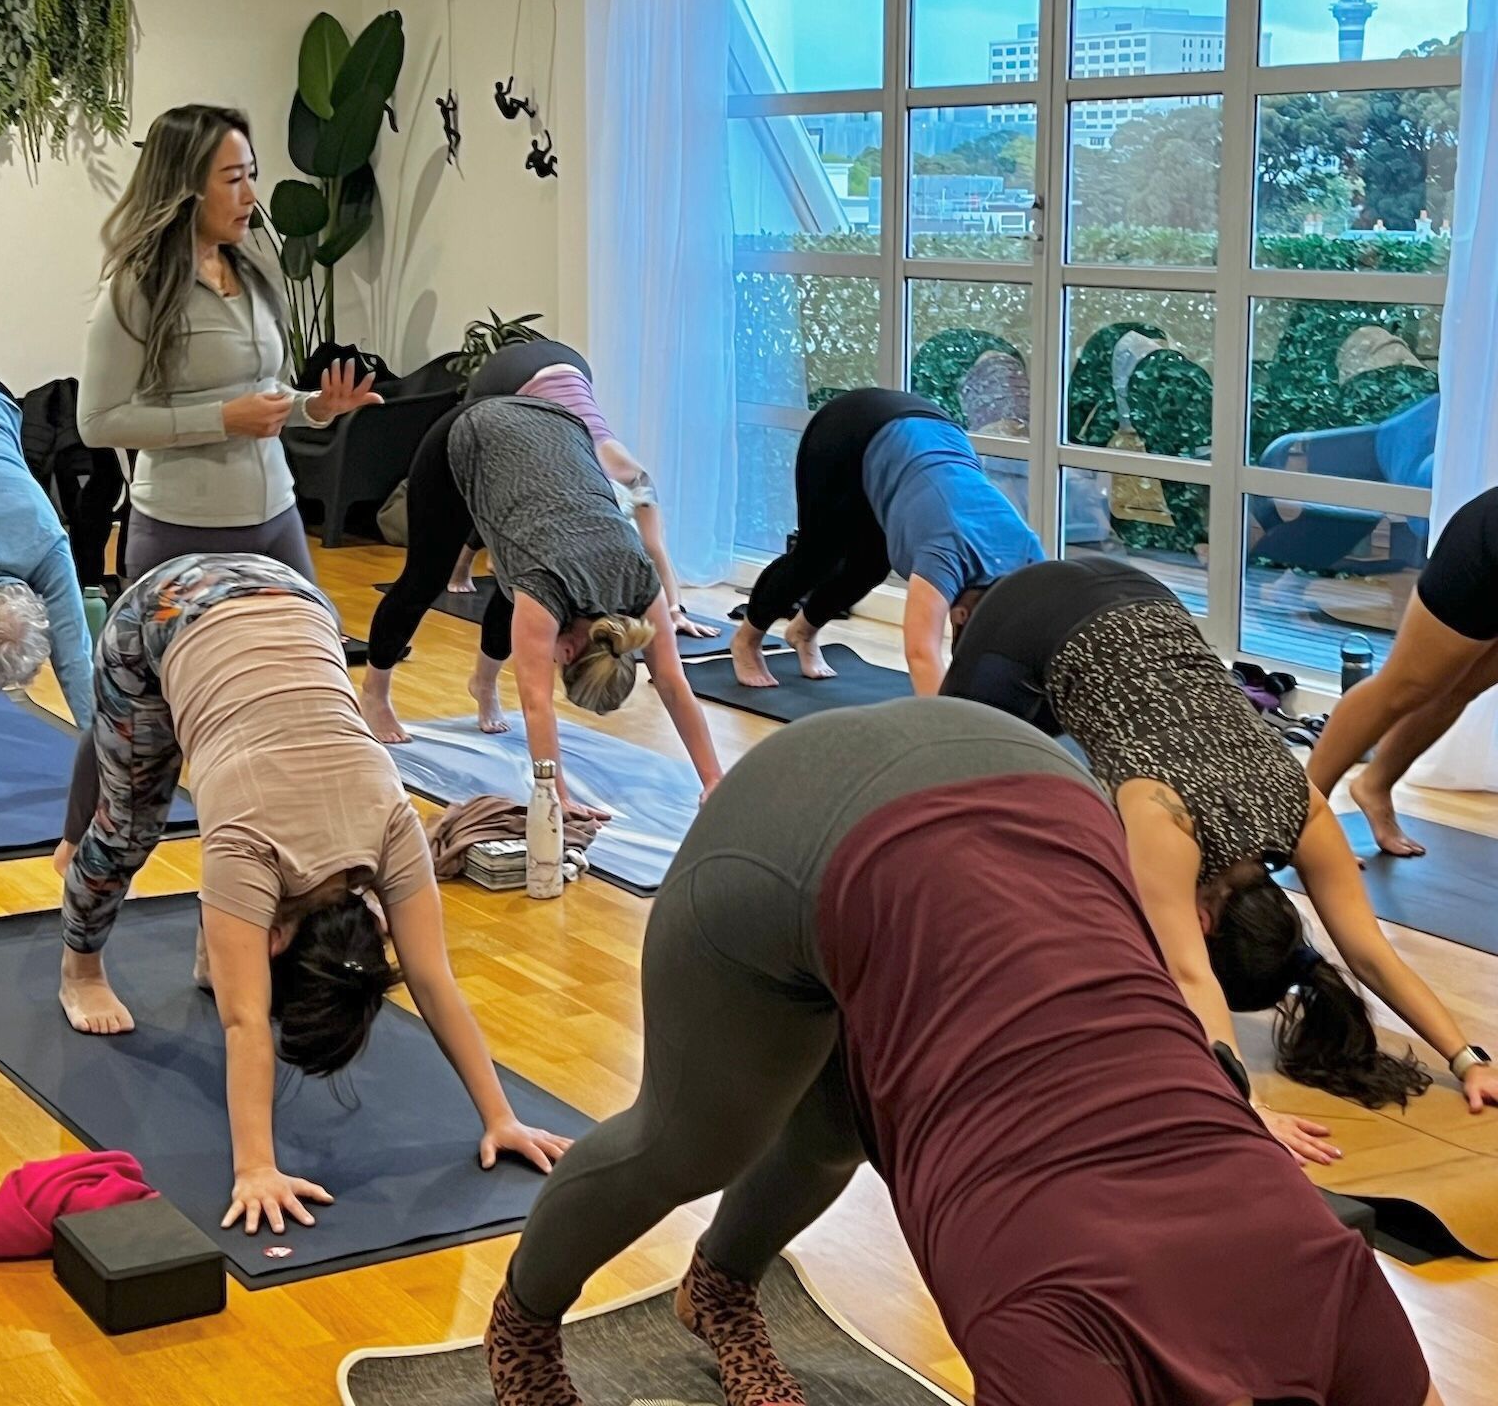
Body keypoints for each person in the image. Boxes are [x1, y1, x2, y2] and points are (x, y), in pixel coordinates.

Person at [483, 699, 1439, 1406]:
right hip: (789, 826)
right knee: (691, 1142)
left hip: (1022, 769)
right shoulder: (1063, 1340)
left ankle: (718, 1290)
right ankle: (522, 1329)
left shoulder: (1342, 1289)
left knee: (838, 1128)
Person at [51, 553, 572, 1236]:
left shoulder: (391, 822)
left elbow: (433, 980)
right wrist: (254, 1169)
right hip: (168, 608)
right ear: (277, 936)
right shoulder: (248, 846)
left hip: (298, 597)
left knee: (231, 897)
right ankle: (79, 969)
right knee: (128, 827)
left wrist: (501, 1118)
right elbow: (244, 1024)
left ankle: (220, 946)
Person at [940, 555, 1497, 1164]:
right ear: (1208, 922)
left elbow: (1368, 952)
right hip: (1031, 612)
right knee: (941, 788)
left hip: (1139, 600)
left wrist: (1468, 1060)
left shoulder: (1298, 812)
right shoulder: (1167, 822)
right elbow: (1189, 974)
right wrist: (1246, 1106)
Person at [362, 396, 722, 819]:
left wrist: (714, 778)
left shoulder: (639, 581)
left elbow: (672, 683)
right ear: (567, 653)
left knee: (517, 586)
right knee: (425, 577)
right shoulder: (548, 586)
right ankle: (374, 692)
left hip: (556, 431)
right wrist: (556, 796)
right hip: (473, 431)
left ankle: (482, 684)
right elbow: (537, 703)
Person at [78, 103, 381, 584]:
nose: (250, 196)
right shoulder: (134, 289)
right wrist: (220, 420)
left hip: (277, 515)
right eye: (234, 179)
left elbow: (259, 390)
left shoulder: (252, 271)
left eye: (252, 175)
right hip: (182, 530)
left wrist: (313, 407)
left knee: (308, 654)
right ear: (188, 185)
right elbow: (97, 422)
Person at [729, 389, 1043, 696]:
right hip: (850, 426)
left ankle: (802, 631)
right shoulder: (944, 554)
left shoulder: (1030, 553)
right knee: (816, 558)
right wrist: (951, 736)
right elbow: (921, 653)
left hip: (927, 433)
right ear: (958, 616)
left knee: (870, 567)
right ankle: (747, 640)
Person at [446, 338, 715, 640]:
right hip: (506, 374)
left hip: (571, 364)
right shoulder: (570, 478)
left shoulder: (636, 482)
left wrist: (675, 611)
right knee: (484, 476)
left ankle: (470, 565)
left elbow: (656, 549)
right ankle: (460, 566)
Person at [1309, 486, 1498, 856]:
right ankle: (1302, 818)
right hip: (1484, 550)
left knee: (1460, 689)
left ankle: (1374, 785)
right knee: (1403, 687)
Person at [0, 365, 94, 729]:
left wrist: (106, 762)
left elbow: (77, 661)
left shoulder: (49, 544)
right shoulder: (47, 548)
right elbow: (74, 660)